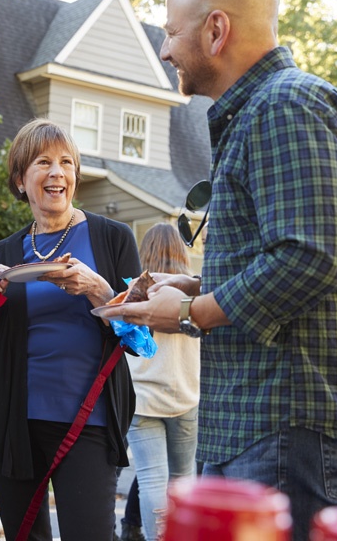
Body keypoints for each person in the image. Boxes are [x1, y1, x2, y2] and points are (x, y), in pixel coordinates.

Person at [99, 0, 337, 541]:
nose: (164, 50)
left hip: (287, 418)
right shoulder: (261, 114)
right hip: (263, 423)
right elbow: (278, 259)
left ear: (216, 29)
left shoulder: (284, 106)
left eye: (171, 31)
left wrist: (188, 313)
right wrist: (186, 286)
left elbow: (313, 256)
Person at [0, 118, 140, 541]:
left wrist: (98, 290)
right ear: (21, 181)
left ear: (76, 177)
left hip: (90, 422)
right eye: (43, 162)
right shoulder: (6, 253)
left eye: (66, 162)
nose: (57, 172)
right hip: (14, 424)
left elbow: (141, 335)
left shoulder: (112, 239)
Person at [125, 223, 199, 540]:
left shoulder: (132, 290)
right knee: (182, 479)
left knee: (152, 478)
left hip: (141, 398)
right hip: (184, 396)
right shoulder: (195, 293)